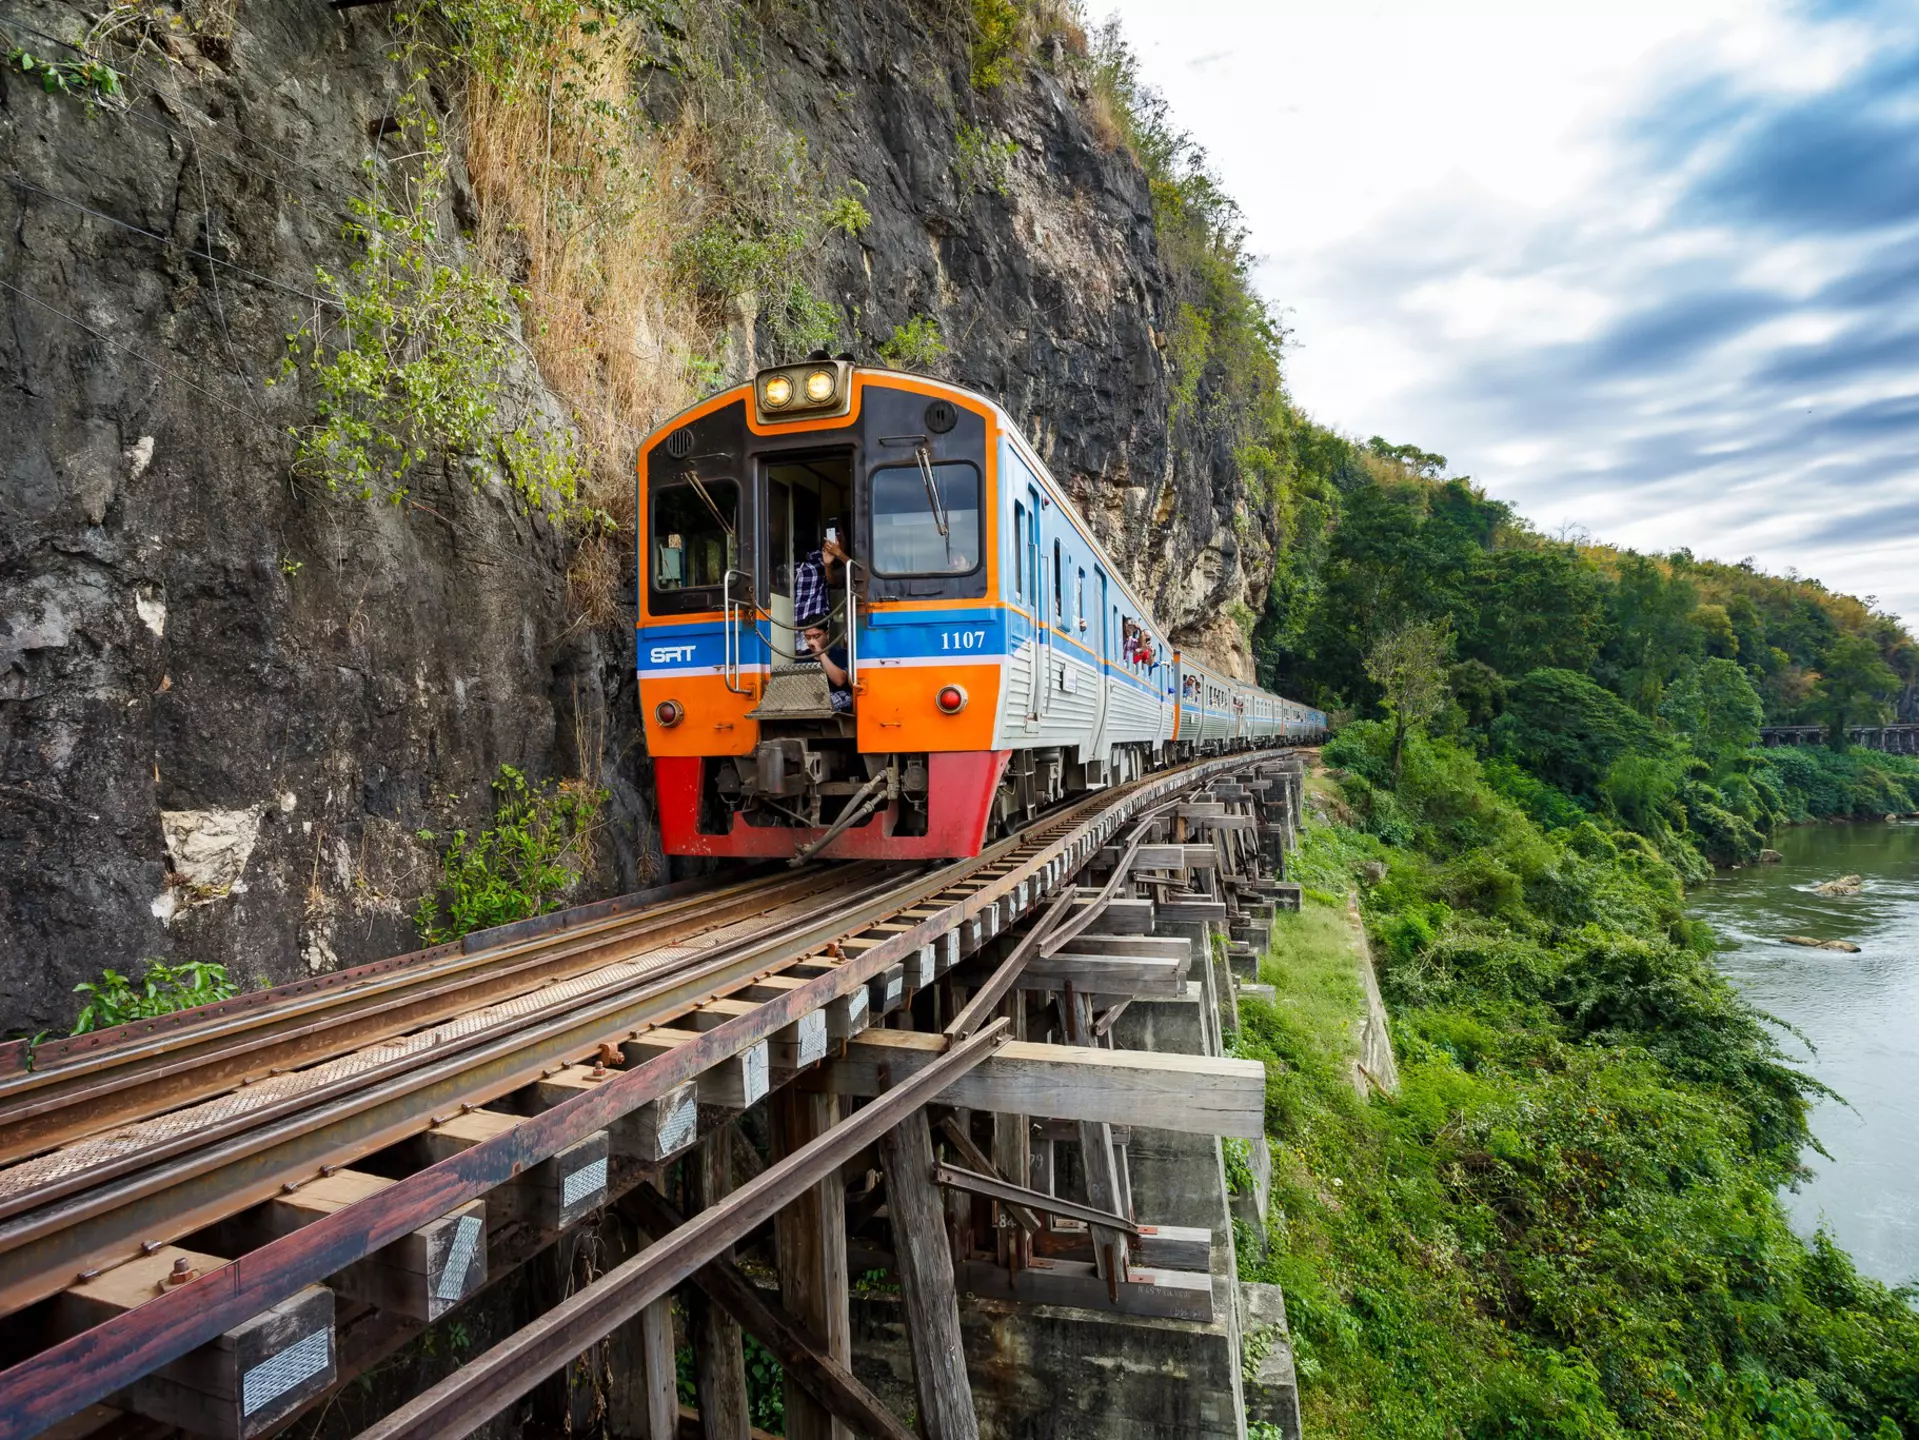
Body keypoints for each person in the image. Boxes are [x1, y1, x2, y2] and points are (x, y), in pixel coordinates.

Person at [792, 525, 849, 653]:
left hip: (814, 626)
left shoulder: (821, 558)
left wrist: (829, 563)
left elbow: (834, 581)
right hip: (791, 624)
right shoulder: (812, 558)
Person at [799, 614, 853, 712]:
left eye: (816, 636)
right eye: (808, 637)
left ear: (827, 634)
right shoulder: (801, 659)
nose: (812, 641)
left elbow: (840, 680)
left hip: (838, 701)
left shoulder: (841, 654)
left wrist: (820, 653)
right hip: (811, 702)